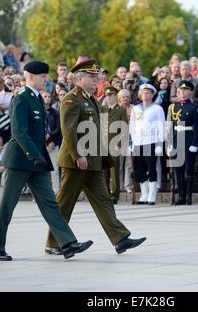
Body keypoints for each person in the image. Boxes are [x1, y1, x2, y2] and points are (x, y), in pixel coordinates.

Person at [0, 61, 93, 261]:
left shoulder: (36, 98)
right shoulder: (21, 98)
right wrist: (34, 154)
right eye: (43, 77)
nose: (46, 80)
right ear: (30, 77)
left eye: (46, 76)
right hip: (20, 160)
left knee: (50, 204)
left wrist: (39, 156)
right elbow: (19, 132)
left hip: (38, 161)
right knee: (7, 206)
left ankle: (68, 242)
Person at [44, 57, 145, 256]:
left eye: (96, 76)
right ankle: (53, 243)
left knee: (103, 200)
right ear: (80, 79)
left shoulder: (90, 99)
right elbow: (69, 130)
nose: (96, 80)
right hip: (78, 162)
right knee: (65, 202)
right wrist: (77, 155)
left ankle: (120, 239)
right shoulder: (72, 99)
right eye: (92, 77)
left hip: (93, 160)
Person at [129, 83, 166, 206]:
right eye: (143, 92)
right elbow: (132, 126)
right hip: (139, 142)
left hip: (151, 141)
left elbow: (161, 126)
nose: (145, 94)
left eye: (148, 92)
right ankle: (144, 194)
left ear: (152, 95)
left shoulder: (157, 108)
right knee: (140, 170)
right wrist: (133, 142)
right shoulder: (135, 109)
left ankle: (152, 195)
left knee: (151, 169)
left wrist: (160, 143)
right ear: (140, 94)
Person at [166, 81, 198, 205]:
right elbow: (169, 127)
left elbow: (197, 127)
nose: (183, 92)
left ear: (190, 92)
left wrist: (195, 143)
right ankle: (181, 196)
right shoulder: (173, 107)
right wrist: (169, 143)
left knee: (188, 170)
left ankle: (188, 197)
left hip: (188, 141)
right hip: (176, 140)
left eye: (186, 90)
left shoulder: (194, 107)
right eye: (181, 90)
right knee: (178, 171)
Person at [101, 86, 128, 205]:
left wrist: (119, 144)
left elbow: (124, 129)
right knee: (104, 172)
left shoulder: (121, 110)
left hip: (114, 144)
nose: (109, 97)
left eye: (111, 95)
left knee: (114, 171)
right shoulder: (103, 109)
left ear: (116, 97)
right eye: (107, 95)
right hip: (103, 144)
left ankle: (115, 195)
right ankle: (105, 195)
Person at [42, 90, 62, 195]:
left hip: (53, 145)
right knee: (42, 170)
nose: (47, 98)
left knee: (54, 169)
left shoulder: (56, 113)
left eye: (49, 96)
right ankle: (43, 191)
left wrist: (52, 141)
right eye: (45, 96)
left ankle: (56, 191)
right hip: (41, 145)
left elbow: (58, 129)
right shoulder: (37, 112)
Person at [118, 89, 134, 194]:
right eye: (123, 97)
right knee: (118, 164)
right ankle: (118, 186)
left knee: (129, 163)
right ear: (119, 98)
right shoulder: (116, 109)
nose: (125, 99)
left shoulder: (134, 109)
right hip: (117, 139)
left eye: (127, 97)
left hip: (131, 138)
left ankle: (128, 186)